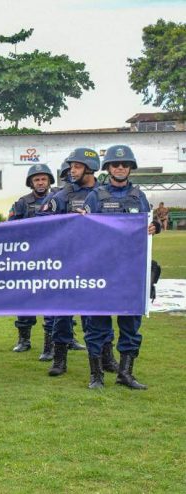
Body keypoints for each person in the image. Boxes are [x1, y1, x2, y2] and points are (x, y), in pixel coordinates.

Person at [81, 145, 159, 390]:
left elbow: (149, 223)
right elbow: (82, 232)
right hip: (101, 271)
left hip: (131, 271)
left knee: (130, 325)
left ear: (130, 168)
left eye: (125, 164)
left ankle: (125, 373)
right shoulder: (96, 196)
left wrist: (154, 225)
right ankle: (96, 376)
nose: (120, 168)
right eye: (116, 164)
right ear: (108, 168)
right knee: (97, 325)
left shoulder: (139, 196)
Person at [39, 147, 102, 378]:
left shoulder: (104, 193)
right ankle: (59, 359)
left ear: (90, 167)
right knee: (62, 313)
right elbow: (42, 221)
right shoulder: (62, 195)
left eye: (76, 166)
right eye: (71, 166)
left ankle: (105, 358)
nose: (71, 170)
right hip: (66, 264)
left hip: (96, 262)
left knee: (96, 314)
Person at [7, 164, 56, 360]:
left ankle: (49, 345)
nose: (41, 182)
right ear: (31, 183)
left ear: (49, 181)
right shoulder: (22, 203)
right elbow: (10, 228)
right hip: (28, 260)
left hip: (52, 259)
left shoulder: (57, 200)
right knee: (25, 300)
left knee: (51, 302)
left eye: (44, 179)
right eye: (36, 179)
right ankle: (24, 340)